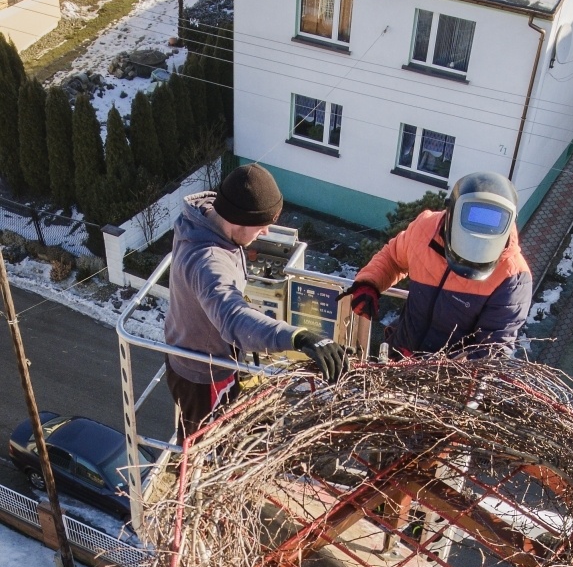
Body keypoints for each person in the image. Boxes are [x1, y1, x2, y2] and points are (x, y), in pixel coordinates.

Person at [164, 163, 345, 438]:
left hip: (191, 352)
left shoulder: (205, 218)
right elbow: (233, 317)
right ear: (238, 219)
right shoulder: (209, 262)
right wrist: (298, 337)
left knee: (205, 433)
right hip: (203, 373)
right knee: (200, 447)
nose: (266, 234)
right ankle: (189, 478)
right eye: (261, 226)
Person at [346, 171, 532, 357]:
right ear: (450, 216)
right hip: (400, 349)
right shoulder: (425, 229)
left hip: (447, 378)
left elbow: (490, 353)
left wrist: (428, 368)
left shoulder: (513, 278)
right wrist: (369, 283)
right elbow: (393, 258)